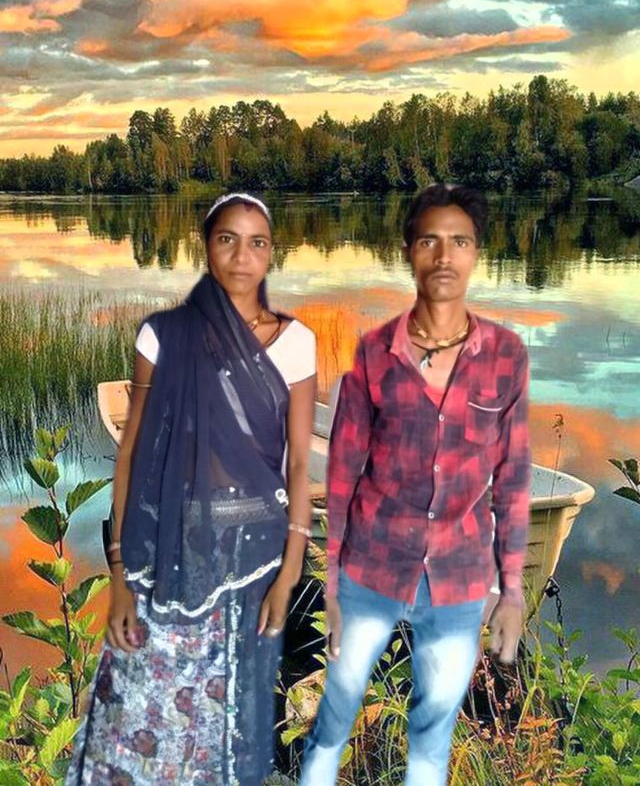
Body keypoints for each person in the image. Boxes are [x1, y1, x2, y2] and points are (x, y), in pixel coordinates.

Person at [67, 193, 317, 785]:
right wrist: (120, 575)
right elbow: (133, 454)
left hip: (259, 551)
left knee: (246, 710)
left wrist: (289, 572)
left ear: (270, 254)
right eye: (228, 239)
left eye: (257, 242)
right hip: (180, 546)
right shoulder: (163, 336)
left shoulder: (296, 342)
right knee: (153, 707)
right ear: (207, 246)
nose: (242, 255)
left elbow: (299, 464)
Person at [299, 183, 531, 786]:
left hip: (459, 578)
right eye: (430, 240)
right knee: (335, 715)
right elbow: (342, 477)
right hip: (371, 571)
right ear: (408, 250)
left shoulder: (506, 356)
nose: (444, 256)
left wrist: (511, 589)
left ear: (476, 253)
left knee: (432, 736)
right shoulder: (373, 355)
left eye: (460, 241)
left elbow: (512, 477)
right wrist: (332, 584)